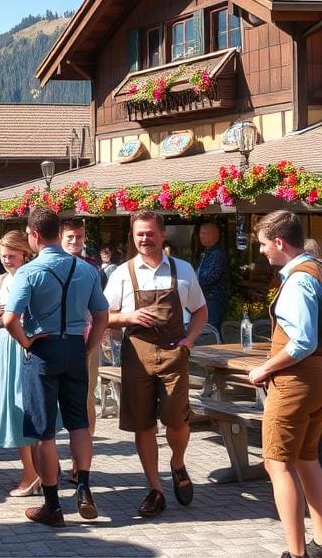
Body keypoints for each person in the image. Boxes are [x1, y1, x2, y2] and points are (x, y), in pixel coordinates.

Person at [4, 207, 108, 528]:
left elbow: (10, 318)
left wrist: (26, 342)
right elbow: (101, 315)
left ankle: (52, 505)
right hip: (75, 347)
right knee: (78, 423)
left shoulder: (29, 272)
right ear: (58, 231)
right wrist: (88, 347)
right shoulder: (87, 270)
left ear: (34, 235)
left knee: (43, 431)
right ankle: (83, 488)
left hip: (43, 351)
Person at [104, 210, 207, 518]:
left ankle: (177, 461)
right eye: (139, 234)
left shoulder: (183, 269)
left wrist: (189, 341)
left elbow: (200, 311)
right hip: (137, 355)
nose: (144, 239)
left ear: (163, 235)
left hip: (175, 354)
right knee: (143, 423)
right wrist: (128, 317)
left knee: (177, 419)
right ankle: (155, 489)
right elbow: (103, 316)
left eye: (150, 233)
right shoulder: (122, 272)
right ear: (133, 238)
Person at [248, 211, 322, 558]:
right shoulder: (316, 270)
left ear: (279, 242)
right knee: (307, 460)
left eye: (264, 244)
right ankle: (319, 543)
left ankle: (297, 554)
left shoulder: (298, 279)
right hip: (316, 379)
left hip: (296, 381)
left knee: (277, 464)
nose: (262, 251)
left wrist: (264, 368)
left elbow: (302, 342)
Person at [0, 230, 41, 496]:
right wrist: (0, 316)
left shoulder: (33, 277)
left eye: (12, 255)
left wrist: (7, 316)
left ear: (24, 254)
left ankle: (33, 473)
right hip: (4, 348)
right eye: (3, 256)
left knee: (28, 409)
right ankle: (31, 472)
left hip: (25, 346)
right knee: (15, 411)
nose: (7, 260)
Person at [60, 217, 105, 483]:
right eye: (70, 238)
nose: (75, 242)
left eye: (79, 237)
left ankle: (80, 463)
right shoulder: (49, 264)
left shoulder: (91, 267)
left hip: (84, 337)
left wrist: (93, 342)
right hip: (55, 339)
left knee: (86, 399)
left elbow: (99, 308)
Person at [196, 221, 229, 332]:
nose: (202, 236)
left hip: (213, 299)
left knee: (210, 331)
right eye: (201, 233)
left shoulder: (217, 253)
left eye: (206, 233)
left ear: (216, 236)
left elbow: (207, 278)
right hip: (206, 299)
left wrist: (191, 284)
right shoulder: (208, 251)